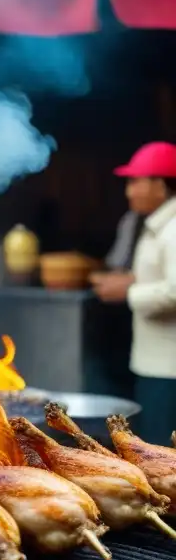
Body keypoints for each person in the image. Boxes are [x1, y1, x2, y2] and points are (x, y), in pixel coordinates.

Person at [91, 142, 176, 444]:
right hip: (153, 363)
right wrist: (128, 280)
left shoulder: (173, 228)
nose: (129, 191)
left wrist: (128, 292)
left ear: (162, 184)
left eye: (136, 182)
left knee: (162, 454)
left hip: (168, 369)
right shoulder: (154, 225)